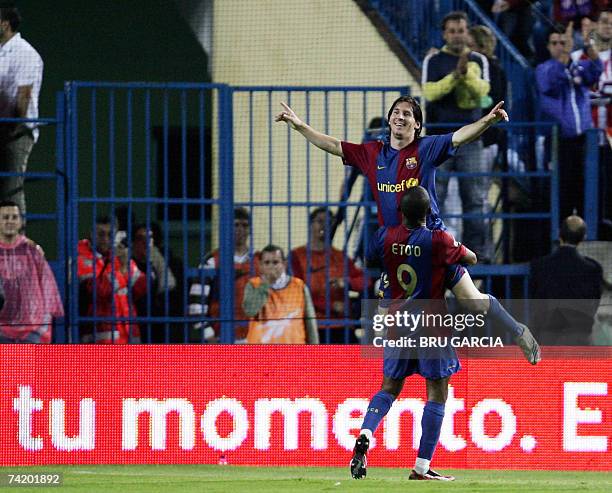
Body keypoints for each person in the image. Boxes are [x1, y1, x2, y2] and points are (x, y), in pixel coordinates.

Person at [275, 90, 540, 359]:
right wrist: (300, 127)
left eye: (407, 114)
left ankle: (518, 331)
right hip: (398, 252)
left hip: (432, 244)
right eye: (396, 113)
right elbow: (334, 145)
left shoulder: (426, 149)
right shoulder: (372, 153)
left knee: (473, 302)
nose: (400, 117)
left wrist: (487, 121)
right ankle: (387, 378)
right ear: (389, 120)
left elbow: (461, 136)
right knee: (384, 321)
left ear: (417, 125)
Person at [350, 187, 539, 481]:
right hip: (431, 325)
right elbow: (472, 258)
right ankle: (422, 468)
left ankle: (365, 433)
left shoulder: (385, 236)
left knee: (389, 388)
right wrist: (453, 248)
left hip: (397, 322)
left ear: (401, 211)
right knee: (437, 392)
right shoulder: (439, 241)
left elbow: (375, 257)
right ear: (429, 213)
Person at [422, 11, 493, 261]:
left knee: (475, 199)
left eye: (461, 30)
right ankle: (431, 251)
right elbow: (430, 93)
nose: (456, 35)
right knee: (433, 197)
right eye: (451, 31)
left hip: (471, 139)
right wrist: (455, 75)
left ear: (467, 32)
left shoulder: (478, 60)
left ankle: (479, 256)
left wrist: (465, 72)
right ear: (444, 34)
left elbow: (484, 93)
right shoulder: (433, 60)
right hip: (438, 140)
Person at [536, 24, 603, 219]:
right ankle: (561, 235)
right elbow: (553, 83)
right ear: (548, 46)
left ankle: (587, 230)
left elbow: (597, 69)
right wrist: (566, 55)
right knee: (562, 187)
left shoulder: (579, 66)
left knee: (587, 185)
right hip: (559, 140)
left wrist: (588, 45)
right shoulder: (543, 69)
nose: (559, 46)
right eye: (555, 43)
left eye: (563, 42)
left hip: (584, 139)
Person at [290, 207, 367, 343]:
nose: (325, 226)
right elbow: (298, 294)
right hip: (313, 325)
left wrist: (347, 282)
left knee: (357, 362)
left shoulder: (340, 256)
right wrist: (331, 306)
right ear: (310, 224)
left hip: (342, 325)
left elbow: (365, 280)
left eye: (329, 222)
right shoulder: (297, 256)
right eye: (320, 221)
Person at [189, 207, 259, 343]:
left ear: (250, 230)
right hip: (221, 337)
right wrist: (209, 336)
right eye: (236, 225)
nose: (240, 229)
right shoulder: (211, 261)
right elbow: (195, 305)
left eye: (245, 225)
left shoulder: (260, 261)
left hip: (255, 338)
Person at [530, 215, 604, 344]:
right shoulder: (593, 268)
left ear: (559, 234)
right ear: (583, 237)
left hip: (549, 333)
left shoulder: (540, 266)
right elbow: (595, 302)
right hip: (580, 334)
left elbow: (535, 299)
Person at [0, 5, 43, 217]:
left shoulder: (25, 53)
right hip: (2, 126)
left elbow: (23, 96)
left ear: (5, 24)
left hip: (17, 130)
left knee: (11, 188)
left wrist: (12, 129)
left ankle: (18, 244)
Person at [77, 215, 146, 344]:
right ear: (91, 234)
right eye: (101, 234)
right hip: (99, 337)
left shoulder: (119, 255)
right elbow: (98, 291)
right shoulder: (81, 258)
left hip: (127, 335)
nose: (105, 239)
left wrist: (127, 264)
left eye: (110, 234)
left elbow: (141, 288)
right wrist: (118, 268)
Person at [0, 200, 63, 343]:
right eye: (5, 217)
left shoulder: (32, 250)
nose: (10, 221)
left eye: (14, 217)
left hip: (30, 330)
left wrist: (43, 326)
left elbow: (47, 286)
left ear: (21, 221)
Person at [243, 244, 318, 344]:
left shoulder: (299, 286)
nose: (271, 267)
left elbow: (310, 323)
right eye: (267, 263)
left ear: (284, 264)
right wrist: (265, 285)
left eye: (275, 262)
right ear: (260, 266)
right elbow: (250, 311)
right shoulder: (253, 285)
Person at [131, 223, 179, 343]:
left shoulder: (156, 261)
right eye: (140, 238)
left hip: (155, 323)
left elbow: (168, 283)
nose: (145, 242)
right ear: (133, 242)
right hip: (133, 321)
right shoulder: (127, 263)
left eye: (149, 238)